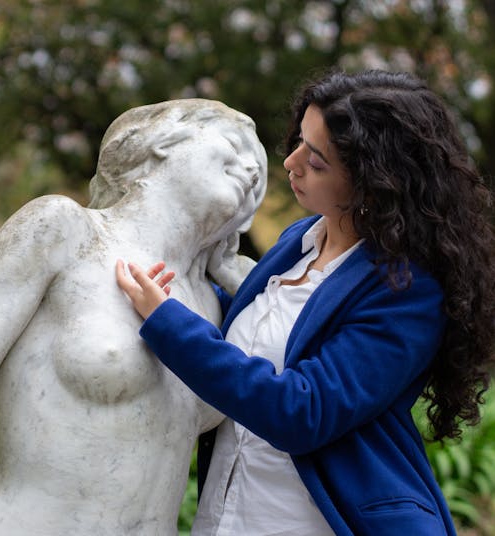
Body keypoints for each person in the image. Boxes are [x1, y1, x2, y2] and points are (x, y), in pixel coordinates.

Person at [116, 70, 494, 535]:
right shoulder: (302, 240)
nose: (291, 162)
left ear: (374, 184)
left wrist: (169, 323)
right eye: (299, 142)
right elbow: (256, 332)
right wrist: (177, 290)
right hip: (229, 516)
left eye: (317, 162)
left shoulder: (408, 290)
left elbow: (301, 411)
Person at [0, 98, 266, 535]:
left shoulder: (214, 305)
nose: (252, 171)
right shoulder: (65, 230)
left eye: (262, 175)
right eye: (236, 147)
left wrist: (252, 282)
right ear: (164, 140)